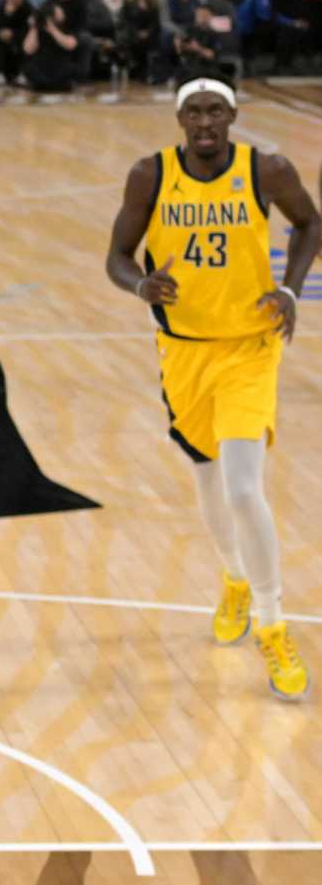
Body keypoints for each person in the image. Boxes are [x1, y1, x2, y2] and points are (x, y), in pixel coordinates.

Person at [105, 79, 320, 700]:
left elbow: (310, 224)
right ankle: (235, 579)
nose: (205, 121)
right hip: (184, 353)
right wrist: (139, 286)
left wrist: (290, 287)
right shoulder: (151, 175)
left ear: (232, 116)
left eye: (216, 111)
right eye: (193, 112)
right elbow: (118, 256)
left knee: (245, 487)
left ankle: (275, 624)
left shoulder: (266, 170)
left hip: (251, 347)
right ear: (179, 118)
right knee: (208, 480)